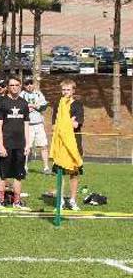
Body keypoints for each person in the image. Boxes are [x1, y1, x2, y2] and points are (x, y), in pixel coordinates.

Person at [0, 77, 30, 209]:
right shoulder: (2, 103)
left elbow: (26, 125)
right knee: (2, 175)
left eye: (16, 85)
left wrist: (27, 144)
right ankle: (0, 201)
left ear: (20, 86)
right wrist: (1, 145)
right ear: (8, 87)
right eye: (11, 85)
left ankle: (16, 202)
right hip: (6, 144)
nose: (14, 87)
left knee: (18, 175)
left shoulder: (24, 103)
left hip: (20, 145)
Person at [51, 79, 84, 211]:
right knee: (60, 172)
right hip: (60, 143)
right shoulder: (58, 105)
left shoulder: (77, 105)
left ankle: (72, 200)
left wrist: (66, 123)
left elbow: (76, 124)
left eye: (68, 90)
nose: (65, 92)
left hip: (74, 142)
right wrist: (67, 122)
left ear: (73, 91)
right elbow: (54, 125)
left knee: (74, 172)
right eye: (64, 90)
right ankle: (60, 201)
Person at [20, 78, 50, 174]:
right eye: (27, 84)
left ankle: (45, 167)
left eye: (31, 83)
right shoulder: (22, 95)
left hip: (38, 124)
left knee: (43, 145)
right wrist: (26, 108)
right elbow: (18, 107)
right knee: (27, 146)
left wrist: (34, 106)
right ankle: (24, 167)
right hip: (27, 124)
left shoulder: (38, 94)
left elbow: (44, 106)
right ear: (24, 85)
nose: (29, 85)